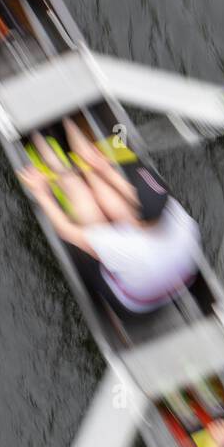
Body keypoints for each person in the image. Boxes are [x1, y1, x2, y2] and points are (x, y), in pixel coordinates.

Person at [20, 119, 201, 317]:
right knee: (108, 194)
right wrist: (101, 168)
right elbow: (131, 195)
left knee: (85, 202)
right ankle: (68, 121)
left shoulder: (126, 247)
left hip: (132, 303)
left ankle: (37, 137)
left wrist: (41, 192)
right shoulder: (178, 215)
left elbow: (64, 230)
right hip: (153, 268)